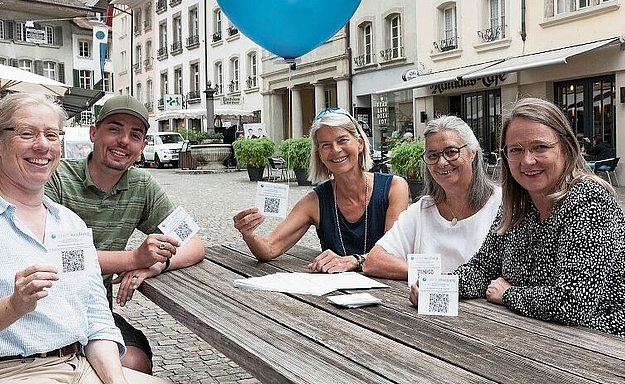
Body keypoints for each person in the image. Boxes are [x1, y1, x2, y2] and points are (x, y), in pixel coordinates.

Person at [0, 93, 170, 383]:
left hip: (79, 365)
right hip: (7, 371)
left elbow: (96, 317)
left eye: (51, 135)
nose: (42, 145)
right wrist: (14, 305)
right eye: (27, 133)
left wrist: (115, 381)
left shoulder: (69, 223)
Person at [410, 98, 625, 337]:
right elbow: (482, 269)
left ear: (566, 147)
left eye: (540, 147)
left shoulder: (589, 201)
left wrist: (509, 294)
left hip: (600, 348)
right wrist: (440, 285)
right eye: (516, 150)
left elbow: (572, 302)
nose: (527, 160)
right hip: (527, 336)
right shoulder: (518, 205)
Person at [45, 95, 206, 374]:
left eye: (135, 135)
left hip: (97, 311)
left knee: (134, 362)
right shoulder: (57, 178)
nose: (124, 141)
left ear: (143, 146)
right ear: (94, 133)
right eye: (114, 129)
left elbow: (194, 242)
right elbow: (51, 256)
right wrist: (133, 258)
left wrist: (156, 264)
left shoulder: (141, 185)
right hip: (46, 308)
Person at [233, 107, 409, 273]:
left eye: (342, 140)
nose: (336, 150)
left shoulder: (394, 187)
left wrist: (353, 261)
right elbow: (269, 249)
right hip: (334, 296)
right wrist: (249, 234)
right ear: (320, 156)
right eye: (325, 145)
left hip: (389, 294)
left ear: (360, 144)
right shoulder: (314, 201)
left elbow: (392, 252)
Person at [363, 115, 501, 279]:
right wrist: (437, 278)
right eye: (433, 155)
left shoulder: (503, 205)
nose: (442, 162)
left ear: (472, 153)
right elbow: (374, 260)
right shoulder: (421, 210)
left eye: (451, 152)